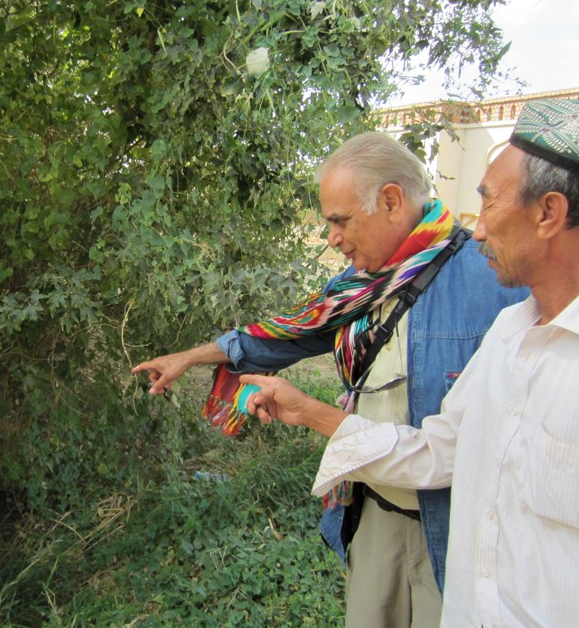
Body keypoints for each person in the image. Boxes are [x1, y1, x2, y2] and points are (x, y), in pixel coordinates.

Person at [243, 98, 579, 628]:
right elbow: (439, 452)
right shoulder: (510, 334)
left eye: (489, 204)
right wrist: (309, 412)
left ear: (549, 214)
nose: (478, 230)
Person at [132, 132, 527, 628]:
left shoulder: (496, 284)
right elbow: (286, 335)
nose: (332, 238)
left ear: (390, 201)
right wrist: (189, 357)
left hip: (454, 530)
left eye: (339, 221)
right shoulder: (355, 291)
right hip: (372, 510)